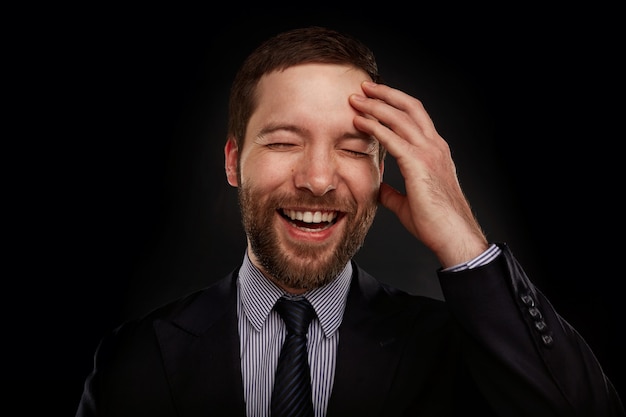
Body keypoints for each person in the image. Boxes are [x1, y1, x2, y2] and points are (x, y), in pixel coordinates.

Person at [75, 26, 625, 417]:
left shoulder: (457, 351)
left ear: (383, 168)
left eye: (354, 148)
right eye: (285, 141)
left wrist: (462, 235)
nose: (318, 179)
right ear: (231, 160)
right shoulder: (134, 359)